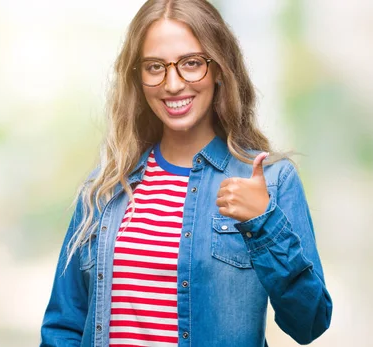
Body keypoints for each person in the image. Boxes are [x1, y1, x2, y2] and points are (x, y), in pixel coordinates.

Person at [40, 0, 332, 346]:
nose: (173, 84)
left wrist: (263, 224)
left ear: (220, 69)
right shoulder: (105, 189)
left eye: (191, 64)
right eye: (154, 67)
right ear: (137, 76)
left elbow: (309, 322)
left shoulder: (271, 181)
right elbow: (63, 327)